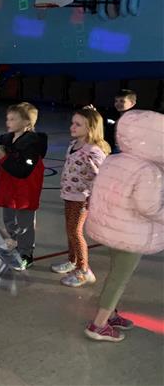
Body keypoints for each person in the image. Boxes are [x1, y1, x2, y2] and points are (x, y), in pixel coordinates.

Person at [84, 110, 164, 342]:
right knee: (120, 277)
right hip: (131, 233)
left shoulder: (114, 159)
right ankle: (98, 325)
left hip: (112, 228)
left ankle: (110, 314)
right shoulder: (148, 170)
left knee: (115, 272)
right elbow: (148, 208)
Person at [52, 107, 110, 287]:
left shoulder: (94, 151)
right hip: (69, 195)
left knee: (75, 232)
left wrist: (95, 198)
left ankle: (84, 270)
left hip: (82, 199)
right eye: (72, 123)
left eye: (78, 124)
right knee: (70, 230)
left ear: (90, 128)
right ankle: (73, 261)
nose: (72, 127)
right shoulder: (73, 145)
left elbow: (103, 177)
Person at [0, 102, 48, 270]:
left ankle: (26, 254)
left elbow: (21, 170)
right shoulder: (7, 139)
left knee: (24, 225)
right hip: (8, 190)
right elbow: (4, 163)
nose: (8, 122)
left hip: (24, 193)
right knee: (9, 220)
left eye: (13, 119)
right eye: (8, 118)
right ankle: (15, 241)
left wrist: (3, 157)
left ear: (27, 122)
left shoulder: (32, 145)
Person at [103, 89, 136, 154]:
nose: (118, 104)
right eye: (116, 101)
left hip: (125, 151)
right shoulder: (115, 116)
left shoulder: (133, 119)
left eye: (122, 101)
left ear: (132, 103)